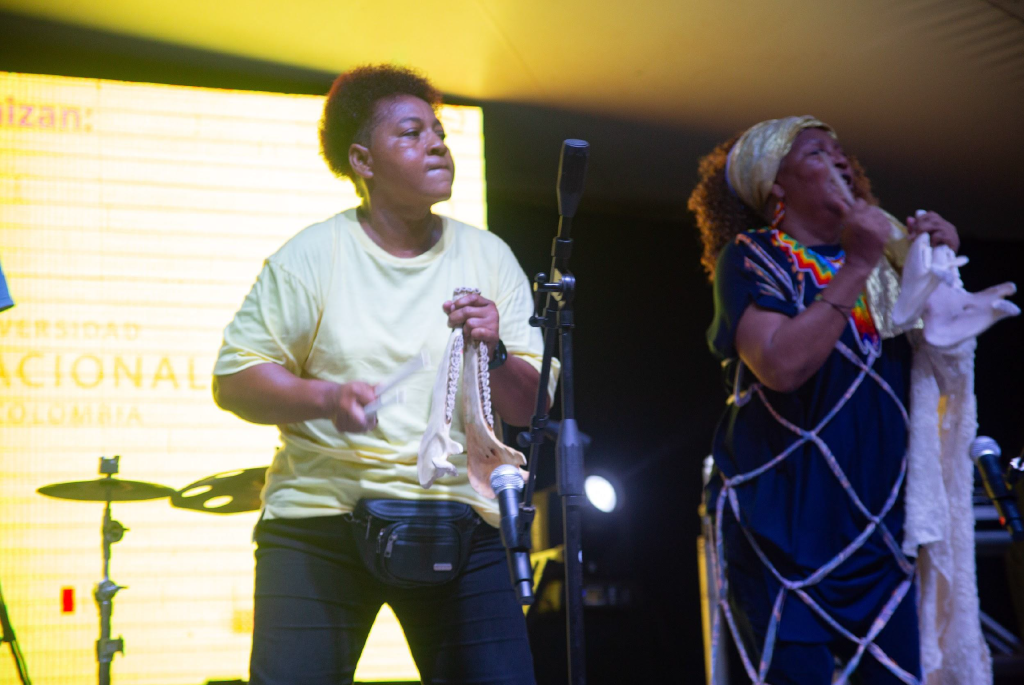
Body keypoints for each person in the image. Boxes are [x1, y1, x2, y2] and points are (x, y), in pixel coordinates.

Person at [212, 64, 553, 685]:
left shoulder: (488, 255)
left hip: (457, 516)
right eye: (412, 133)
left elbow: (532, 409)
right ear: (363, 161)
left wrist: (496, 349)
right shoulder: (313, 255)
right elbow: (235, 379)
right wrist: (326, 398)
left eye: (439, 131)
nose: (437, 144)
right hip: (322, 519)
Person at [688, 116, 960, 684]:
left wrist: (940, 269)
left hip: (877, 532)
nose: (839, 160)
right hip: (779, 529)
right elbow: (780, 366)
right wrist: (857, 263)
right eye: (815, 152)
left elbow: (945, 363)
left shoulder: (891, 264)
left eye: (841, 152)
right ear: (775, 187)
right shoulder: (754, 256)